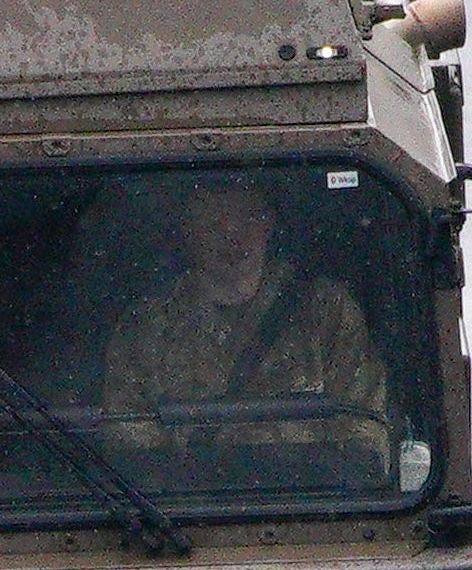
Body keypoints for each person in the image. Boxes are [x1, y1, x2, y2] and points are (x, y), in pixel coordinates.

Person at [94, 177, 392, 472]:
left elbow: (364, 431)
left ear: (269, 223)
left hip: (306, 509)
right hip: (185, 511)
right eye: (211, 218)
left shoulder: (326, 311)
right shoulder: (147, 325)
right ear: (187, 227)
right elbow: (129, 445)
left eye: (246, 215)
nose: (230, 233)